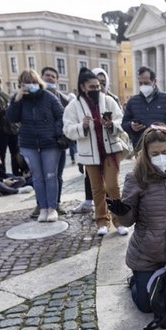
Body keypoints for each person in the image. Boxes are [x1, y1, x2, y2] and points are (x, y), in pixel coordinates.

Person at [107, 125, 166, 311]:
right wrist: (122, 212)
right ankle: (136, 281)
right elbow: (128, 221)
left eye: (165, 152)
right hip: (146, 255)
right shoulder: (136, 178)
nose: (161, 157)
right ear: (146, 155)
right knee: (147, 306)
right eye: (154, 154)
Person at [63, 68, 128, 236]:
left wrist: (112, 125)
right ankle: (102, 221)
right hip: (90, 155)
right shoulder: (73, 106)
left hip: (110, 151)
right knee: (97, 188)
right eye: (92, 86)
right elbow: (67, 129)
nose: (96, 89)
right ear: (83, 87)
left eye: (98, 86)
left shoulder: (108, 100)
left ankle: (119, 220)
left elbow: (122, 120)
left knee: (113, 186)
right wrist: (81, 126)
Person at [7, 69, 65, 223]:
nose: (30, 86)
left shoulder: (48, 97)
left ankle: (52, 208)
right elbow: (12, 118)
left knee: (51, 175)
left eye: (33, 82)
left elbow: (61, 115)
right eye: (27, 83)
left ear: (38, 82)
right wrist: (17, 100)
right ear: (21, 85)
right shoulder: (18, 99)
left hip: (50, 143)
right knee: (37, 177)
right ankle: (43, 208)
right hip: (29, 143)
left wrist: (54, 132)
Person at [122, 66, 166, 147]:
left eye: (146, 83)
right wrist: (131, 126)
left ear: (154, 81)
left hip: (164, 148)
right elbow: (124, 124)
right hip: (141, 149)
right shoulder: (132, 102)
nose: (143, 86)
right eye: (140, 83)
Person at [42, 66, 71, 214]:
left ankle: (56, 203)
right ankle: (41, 204)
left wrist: (64, 139)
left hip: (57, 143)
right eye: (47, 75)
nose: (50, 78)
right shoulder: (34, 97)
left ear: (57, 80)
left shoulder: (63, 99)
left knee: (56, 175)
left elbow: (68, 120)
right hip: (40, 143)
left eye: (53, 76)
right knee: (41, 176)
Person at [0, 76, 21, 175]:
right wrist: (5, 109)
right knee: (1, 153)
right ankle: (2, 172)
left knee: (15, 153)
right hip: (2, 130)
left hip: (13, 128)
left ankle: (16, 171)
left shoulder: (5, 96)